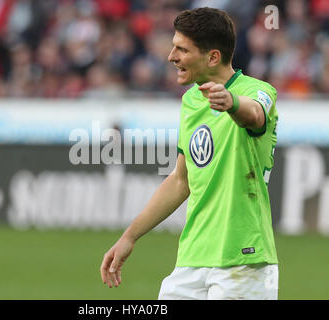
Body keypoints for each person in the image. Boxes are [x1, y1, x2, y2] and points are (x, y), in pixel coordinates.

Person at [100, 7, 279, 300]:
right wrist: (129, 237)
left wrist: (232, 102)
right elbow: (181, 180)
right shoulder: (192, 102)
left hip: (243, 260)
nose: (171, 56)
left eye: (182, 49)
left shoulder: (259, 91)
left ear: (212, 57)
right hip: (192, 258)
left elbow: (255, 115)